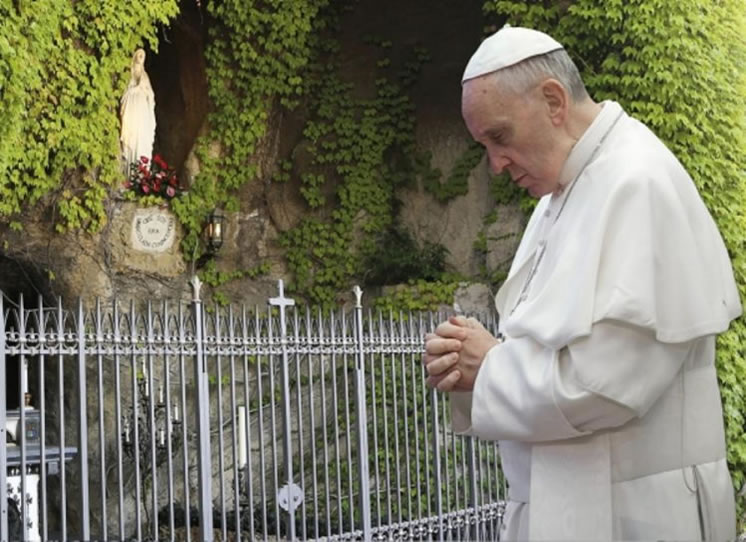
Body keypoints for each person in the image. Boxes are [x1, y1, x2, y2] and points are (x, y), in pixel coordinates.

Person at [423, 26, 742, 541]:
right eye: (484, 145)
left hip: (638, 516)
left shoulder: (637, 178)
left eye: (499, 137)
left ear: (553, 100)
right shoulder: (556, 198)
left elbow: (608, 385)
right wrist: (466, 367)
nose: (496, 165)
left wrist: (490, 365)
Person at [120, 48, 156, 175]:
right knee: (132, 136)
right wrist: (133, 91)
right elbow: (125, 92)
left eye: (143, 56)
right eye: (139, 55)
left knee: (141, 138)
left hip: (142, 110)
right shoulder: (129, 74)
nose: (140, 57)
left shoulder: (145, 76)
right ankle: (129, 174)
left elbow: (150, 95)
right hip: (132, 107)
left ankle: (140, 175)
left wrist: (143, 92)